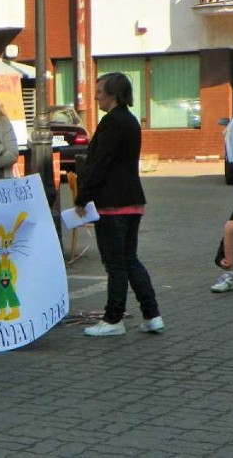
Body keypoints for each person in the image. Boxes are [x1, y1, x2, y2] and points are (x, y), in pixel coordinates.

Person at [74, 72, 164, 337]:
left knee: (114, 265)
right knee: (130, 260)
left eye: (100, 91)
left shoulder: (111, 122)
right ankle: (152, 314)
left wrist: (82, 196)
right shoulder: (131, 121)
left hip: (112, 203)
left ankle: (113, 319)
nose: (95, 96)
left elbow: (100, 163)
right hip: (133, 200)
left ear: (112, 94)